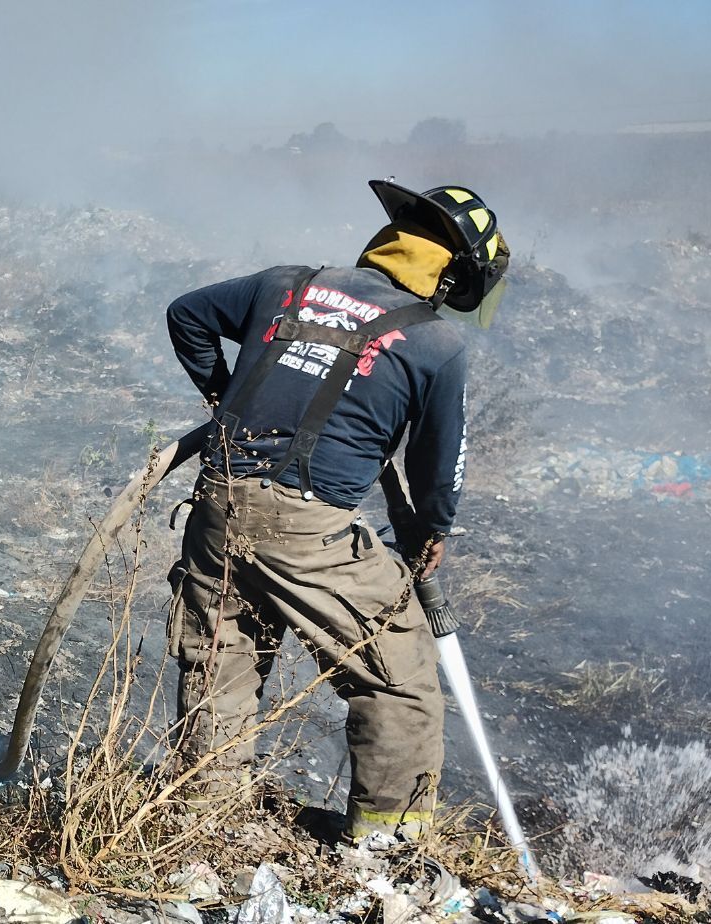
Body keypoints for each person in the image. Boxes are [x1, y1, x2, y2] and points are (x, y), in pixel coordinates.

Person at [164, 180, 509, 840]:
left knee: (222, 659)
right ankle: (388, 844)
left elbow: (188, 314)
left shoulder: (288, 284)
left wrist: (223, 404)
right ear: (456, 273)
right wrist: (433, 532)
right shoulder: (437, 346)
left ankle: (201, 824)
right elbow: (438, 472)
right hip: (308, 525)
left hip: (217, 497)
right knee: (400, 676)